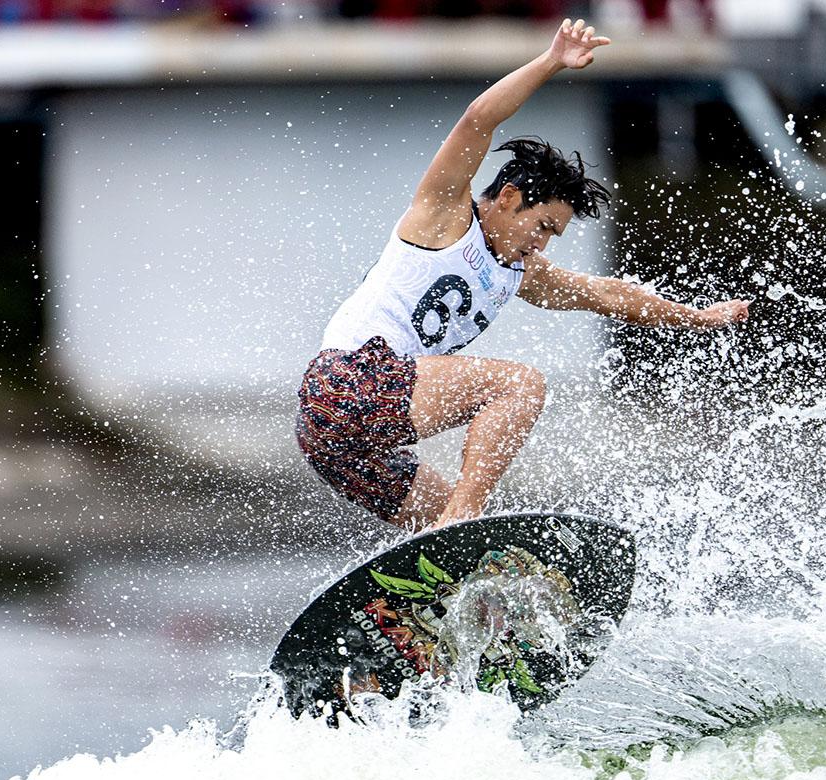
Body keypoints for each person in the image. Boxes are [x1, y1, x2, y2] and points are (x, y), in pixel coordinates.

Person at [297, 18, 750, 531]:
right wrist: (552, 61)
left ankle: (415, 606)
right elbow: (476, 122)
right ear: (509, 197)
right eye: (542, 226)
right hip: (347, 383)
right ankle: (461, 515)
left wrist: (696, 318)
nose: (542, 243)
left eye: (553, 235)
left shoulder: (517, 271)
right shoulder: (444, 215)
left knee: (469, 551)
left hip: (339, 438)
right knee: (519, 385)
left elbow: (607, 295)